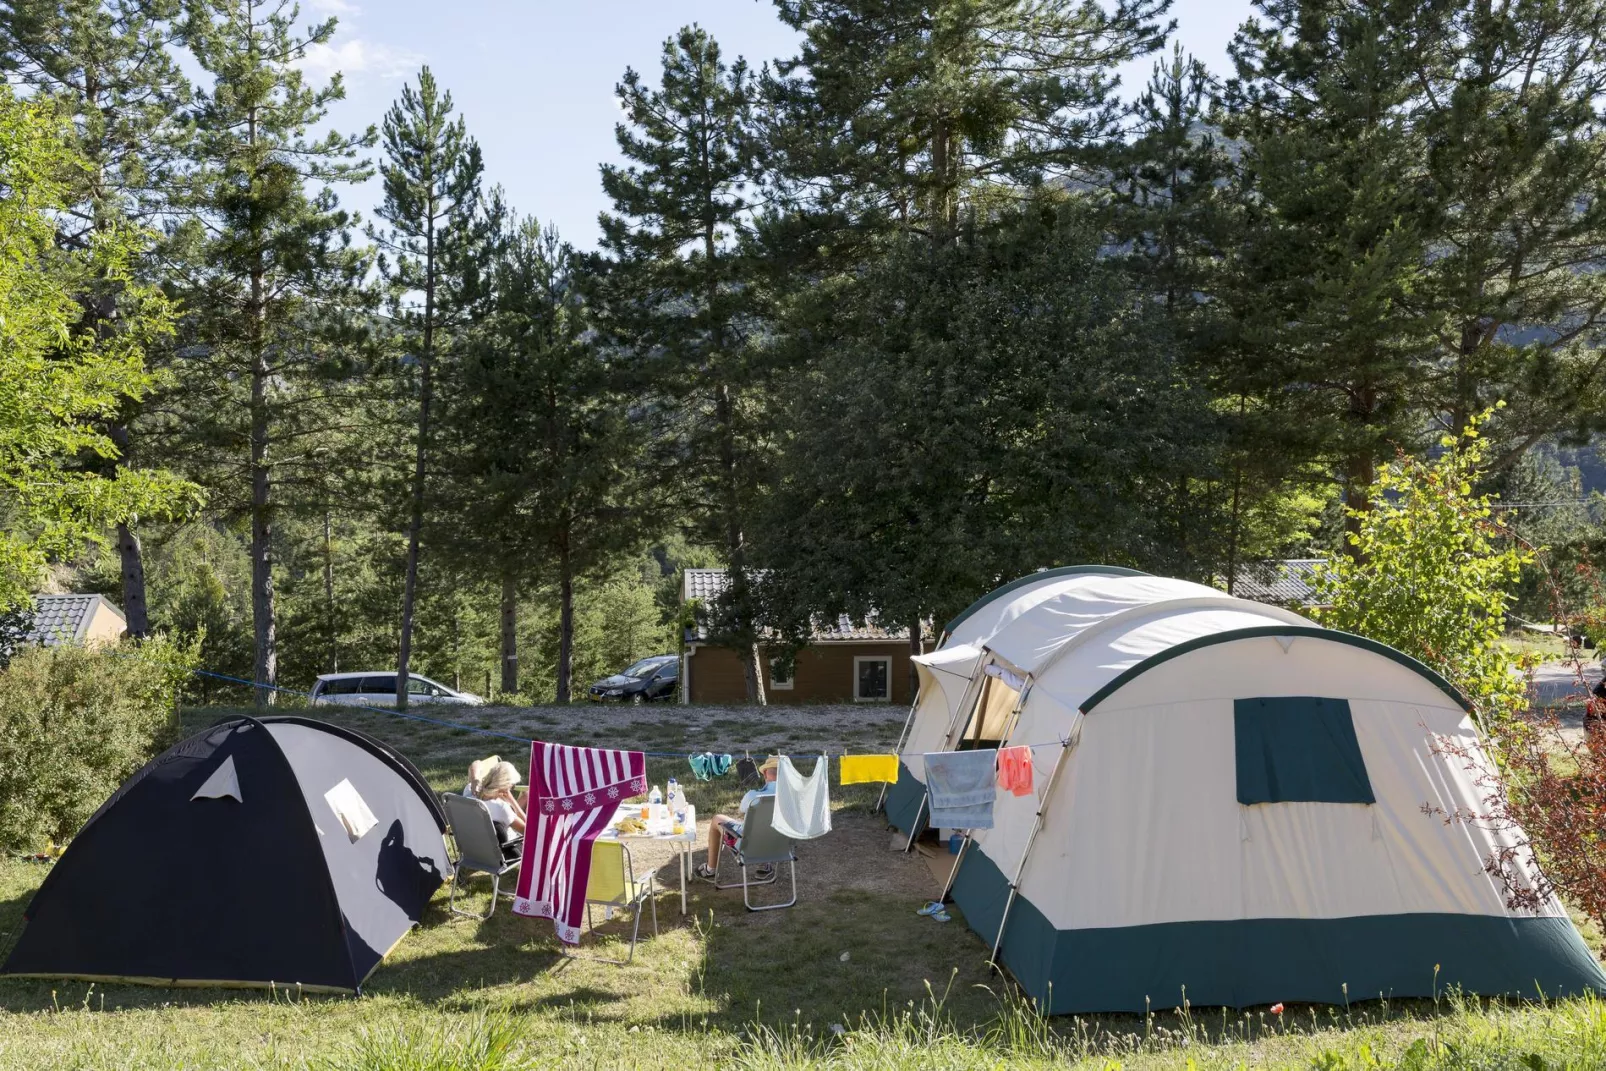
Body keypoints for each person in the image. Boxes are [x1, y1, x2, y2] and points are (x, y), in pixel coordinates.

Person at [695, 756, 778, 880]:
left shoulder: (753, 797)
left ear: (765, 773)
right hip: (780, 848)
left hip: (749, 848)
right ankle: (765, 865)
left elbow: (741, 811)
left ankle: (710, 869)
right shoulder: (794, 798)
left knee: (717, 819)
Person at [467, 758, 527, 860]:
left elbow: (476, 763)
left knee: (527, 794)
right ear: (505, 786)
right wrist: (511, 800)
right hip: (508, 848)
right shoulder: (501, 807)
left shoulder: (469, 791)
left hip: (474, 850)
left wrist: (474, 779)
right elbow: (528, 831)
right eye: (511, 786)